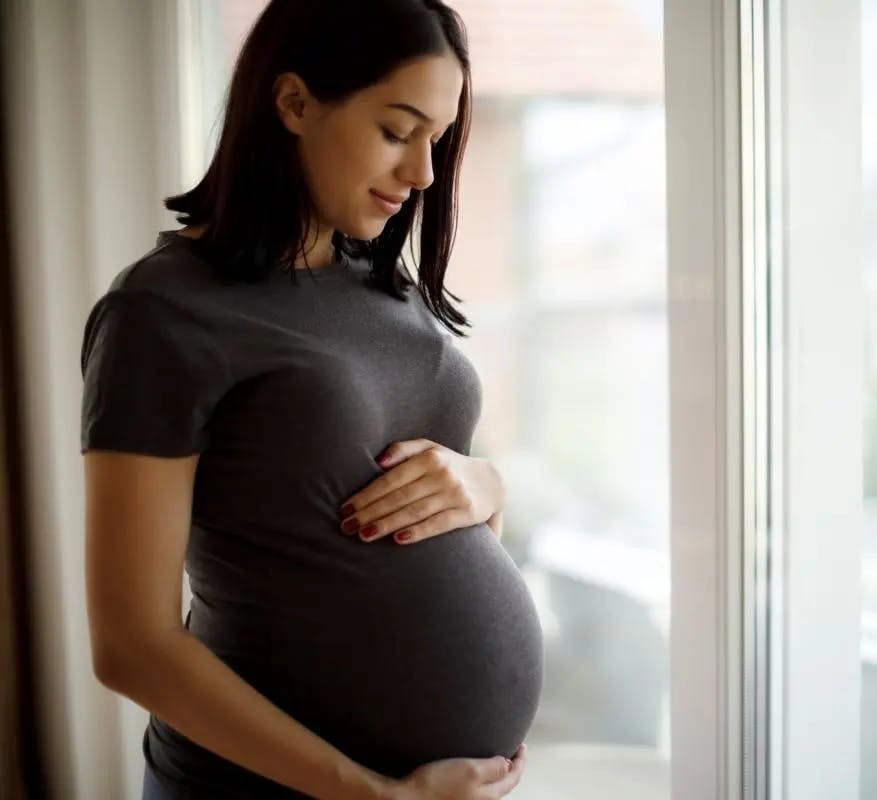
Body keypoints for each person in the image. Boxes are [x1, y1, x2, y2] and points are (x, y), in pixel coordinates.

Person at [78, 1, 543, 797]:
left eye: (438, 139)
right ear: (293, 103)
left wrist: (485, 484)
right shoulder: (163, 313)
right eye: (398, 131)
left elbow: (428, 509)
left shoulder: (387, 291)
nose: (424, 173)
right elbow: (131, 644)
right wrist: (369, 792)